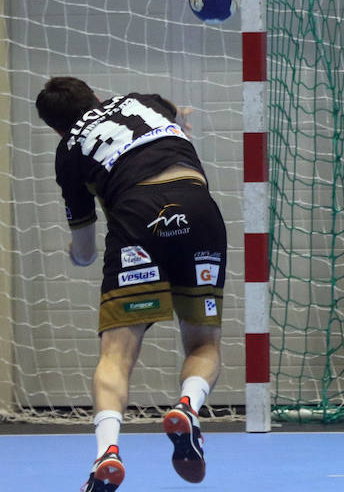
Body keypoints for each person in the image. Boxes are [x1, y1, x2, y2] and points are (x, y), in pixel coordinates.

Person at [35, 77, 226, 492]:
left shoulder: (69, 149)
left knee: (117, 354)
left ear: (56, 129)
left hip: (139, 219)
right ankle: (188, 408)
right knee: (203, 345)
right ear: (98, 97)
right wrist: (179, 115)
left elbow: (84, 251)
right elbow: (168, 106)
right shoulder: (139, 101)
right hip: (198, 208)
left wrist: (74, 252)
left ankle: (108, 453)